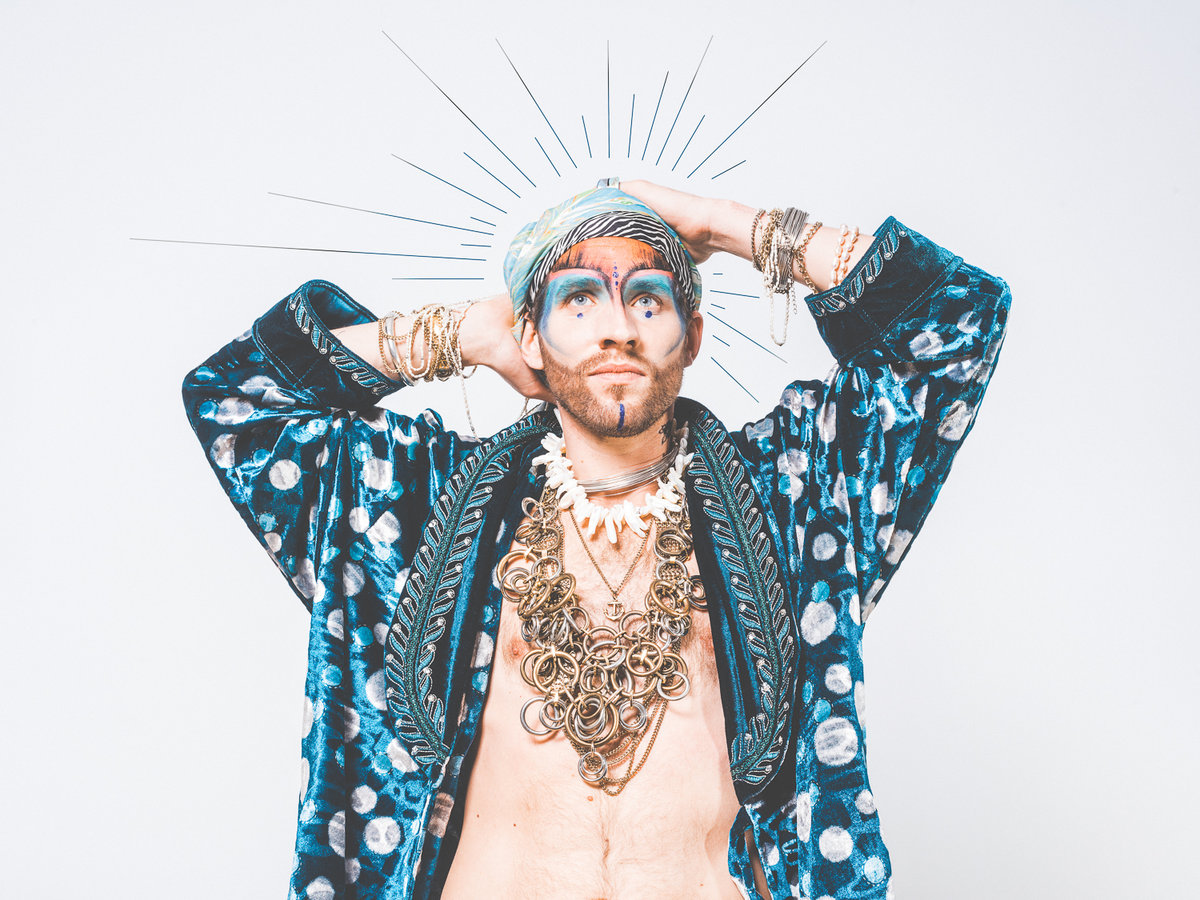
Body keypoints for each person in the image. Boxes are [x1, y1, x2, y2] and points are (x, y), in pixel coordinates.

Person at [183, 178, 1010, 899]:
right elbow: (237, 403)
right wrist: (460, 334)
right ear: (531, 335)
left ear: (692, 334)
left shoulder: (795, 496)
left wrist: (723, 224)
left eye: (649, 300)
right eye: (579, 300)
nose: (618, 328)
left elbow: (956, 317)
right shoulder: (413, 506)